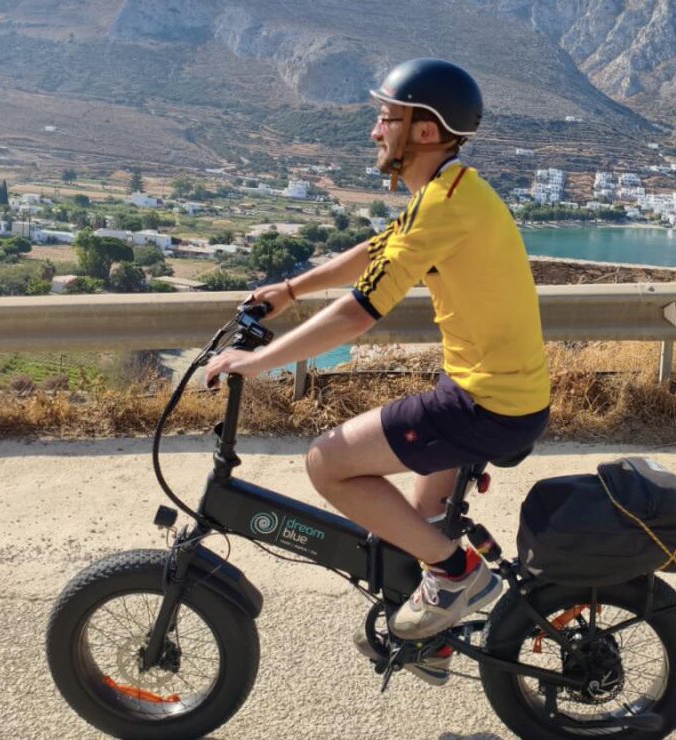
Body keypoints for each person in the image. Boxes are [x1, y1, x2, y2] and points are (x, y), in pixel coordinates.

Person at [202, 58, 550, 685]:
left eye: (387, 117)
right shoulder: (449, 190)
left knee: (326, 463)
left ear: (424, 130)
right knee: (412, 530)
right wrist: (287, 290)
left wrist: (257, 362)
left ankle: (459, 577)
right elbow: (375, 252)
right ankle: (437, 633)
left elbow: (359, 314)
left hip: (484, 404)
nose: (374, 131)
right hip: (495, 394)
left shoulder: (446, 205)